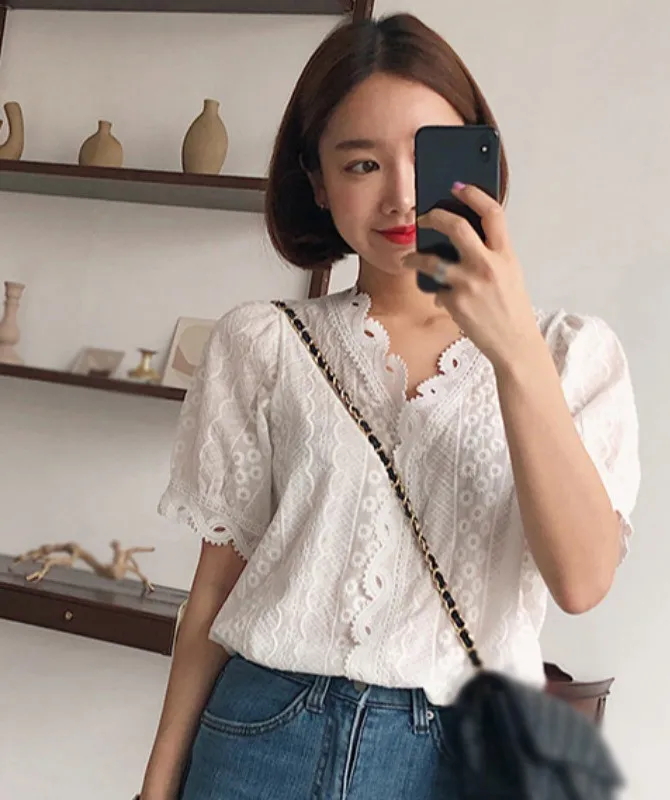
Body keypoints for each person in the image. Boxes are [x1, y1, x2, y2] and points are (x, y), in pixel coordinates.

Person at [137, 12, 640, 800]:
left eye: (428, 157)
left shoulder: (572, 355)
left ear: (480, 158)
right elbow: (213, 591)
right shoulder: (263, 344)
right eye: (363, 162)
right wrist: (156, 785)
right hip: (263, 736)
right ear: (318, 182)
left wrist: (513, 349)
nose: (402, 195)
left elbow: (581, 581)